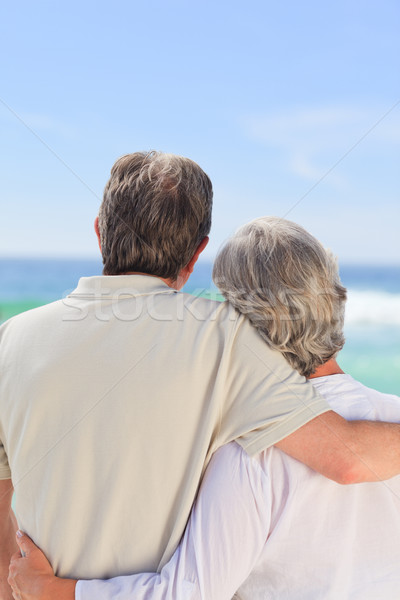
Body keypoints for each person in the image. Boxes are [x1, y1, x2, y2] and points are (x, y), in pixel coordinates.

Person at [2, 160, 400, 599]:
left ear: (99, 231)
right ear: (196, 253)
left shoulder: (9, 337)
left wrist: (33, 589)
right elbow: (345, 456)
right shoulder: (222, 339)